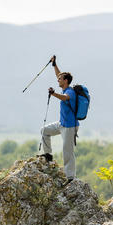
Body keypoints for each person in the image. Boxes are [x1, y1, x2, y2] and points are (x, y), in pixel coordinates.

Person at [39, 55, 79, 187]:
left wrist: (53, 94)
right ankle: (48, 155)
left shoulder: (70, 92)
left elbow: (65, 98)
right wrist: (54, 64)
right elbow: (59, 74)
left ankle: (70, 177)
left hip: (69, 126)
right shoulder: (64, 86)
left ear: (65, 81)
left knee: (67, 151)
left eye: (60, 79)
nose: (58, 80)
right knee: (44, 130)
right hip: (62, 124)